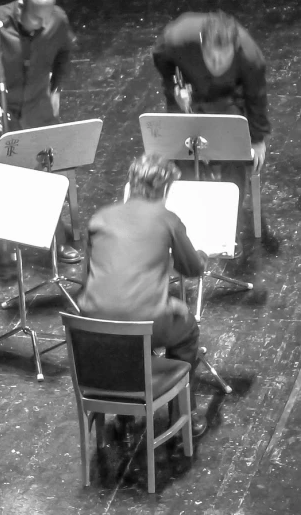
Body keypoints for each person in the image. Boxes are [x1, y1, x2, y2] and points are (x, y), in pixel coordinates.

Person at [0, 0, 82, 279]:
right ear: (21, 6)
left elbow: (65, 51)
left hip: (37, 108)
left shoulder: (57, 20)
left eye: (47, 17)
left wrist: (55, 89)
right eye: (37, 18)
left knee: (47, 174)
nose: (43, 24)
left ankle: (56, 238)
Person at [77, 154, 209, 438]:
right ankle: (183, 414)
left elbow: (88, 278)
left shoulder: (100, 217)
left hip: (92, 326)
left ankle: (124, 412)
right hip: (145, 323)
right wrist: (201, 257)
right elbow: (192, 268)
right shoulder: (167, 219)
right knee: (186, 331)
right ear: (164, 189)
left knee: (131, 327)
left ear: (131, 183)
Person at [152, 11, 271, 253]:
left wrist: (257, 140)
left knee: (235, 151)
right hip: (191, 94)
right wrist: (175, 87)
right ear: (201, 45)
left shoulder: (250, 56)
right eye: (211, 58)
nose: (217, 64)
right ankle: (190, 225)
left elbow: (256, 98)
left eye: (223, 59)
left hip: (228, 98)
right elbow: (160, 58)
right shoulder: (178, 37)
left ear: (233, 50)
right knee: (181, 148)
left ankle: (226, 227)